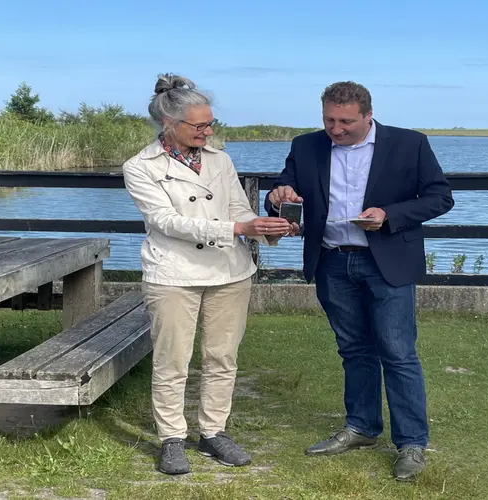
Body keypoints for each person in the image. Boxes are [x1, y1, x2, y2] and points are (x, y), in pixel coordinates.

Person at [265, 81, 454, 480]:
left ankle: (412, 444)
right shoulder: (306, 145)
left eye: (346, 121)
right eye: (329, 120)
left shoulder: (410, 144)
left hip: (386, 263)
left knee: (398, 352)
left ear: (368, 115)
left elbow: (439, 197)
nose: (336, 129)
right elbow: (284, 191)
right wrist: (277, 195)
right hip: (333, 262)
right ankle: (362, 428)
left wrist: (388, 214)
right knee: (353, 349)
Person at [123, 73, 298, 475]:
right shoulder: (140, 167)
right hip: (173, 273)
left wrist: (263, 225)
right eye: (199, 125)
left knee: (222, 356)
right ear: (170, 124)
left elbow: (238, 208)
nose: (208, 130)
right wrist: (237, 230)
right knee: (172, 359)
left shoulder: (221, 160)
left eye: (210, 123)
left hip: (230, 271)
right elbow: (166, 221)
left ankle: (213, 432)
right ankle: (171, 438)